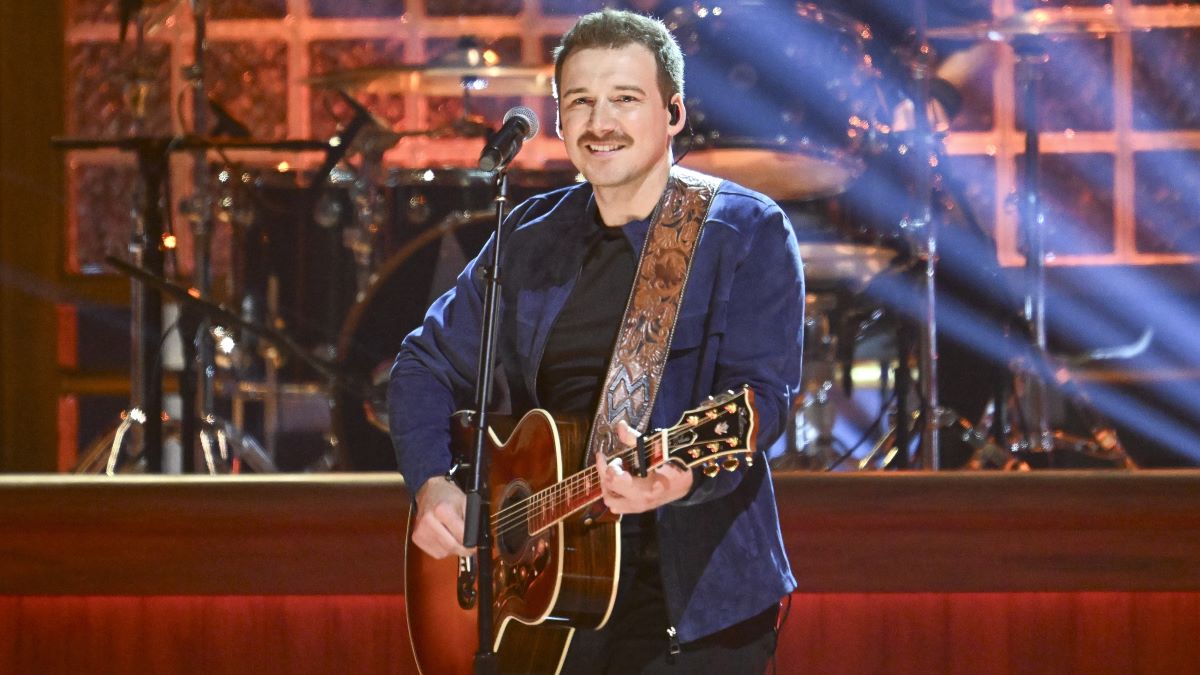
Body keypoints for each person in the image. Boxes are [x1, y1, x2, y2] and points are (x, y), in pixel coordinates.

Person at [388, 9, 803, 673]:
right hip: (545, 612)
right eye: (580, 101)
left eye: (625, 100)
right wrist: (433, 482)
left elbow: (762, 401)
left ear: (673, 114)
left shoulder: (744, 232)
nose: (600, 122)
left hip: (693, 608)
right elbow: (422, 363)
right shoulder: (529, 237)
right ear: (558, 119)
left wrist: (678, 477)